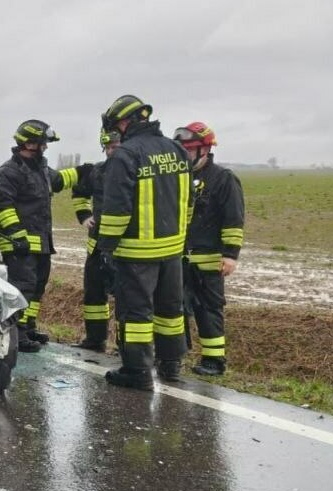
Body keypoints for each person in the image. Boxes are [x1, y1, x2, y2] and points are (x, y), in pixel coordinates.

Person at [96, 94, 192, 390]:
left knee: (136, 314)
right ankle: (171, 364)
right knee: (170, 311)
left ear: (124, 123)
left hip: (137, 253)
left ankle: (137, 371)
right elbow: (188, 202)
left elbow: (117, 209)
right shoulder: (176, 149)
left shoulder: (126, 155)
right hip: (172, 250)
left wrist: (106, 247)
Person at [0, 119, 86, 353]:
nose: (45, 148)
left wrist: (87, 171)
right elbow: (3, 207)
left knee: (37, 287)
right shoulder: (8, 173)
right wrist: (17, 236)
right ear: (30, 144)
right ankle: (16, 333)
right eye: (43, 144)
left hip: (41, 242)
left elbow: (59, 180)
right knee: (23, 287)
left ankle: (28, 326)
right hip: (20, 244)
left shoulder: (40, 169)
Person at [175, 122, 243, 376]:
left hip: (210, 259)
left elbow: (233, 219)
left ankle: (214, 361)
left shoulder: (223, 178)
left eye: (188, 150)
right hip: (179, 258)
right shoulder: (178, 178)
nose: (184, 155)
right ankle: (175, 356)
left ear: (204, 150)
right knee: (175, 309)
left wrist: (230, 255)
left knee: (208, 310)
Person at [71, 130, 122, 352]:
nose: (111, 152)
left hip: (122, 249)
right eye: (107, 148)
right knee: (93, 295)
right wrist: (84, 215)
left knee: (125, 300)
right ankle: (95, 339)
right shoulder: (97, 171)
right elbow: (79, 191)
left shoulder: (135, 172)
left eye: (115, 147)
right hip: (96, 248)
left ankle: (126, 346)